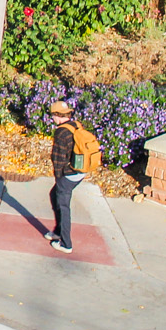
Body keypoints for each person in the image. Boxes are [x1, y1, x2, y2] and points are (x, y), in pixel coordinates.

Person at [46, 101, 99, 254]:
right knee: (53, 195)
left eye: (53, 115)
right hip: (80, 172)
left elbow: (59, 159)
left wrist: (59, 177)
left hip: (68, 175)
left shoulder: (61, 132)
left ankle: (66, 243)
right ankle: (57, 231)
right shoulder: (76, 125)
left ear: (56, 116)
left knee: (63, 206)